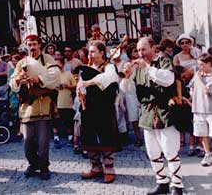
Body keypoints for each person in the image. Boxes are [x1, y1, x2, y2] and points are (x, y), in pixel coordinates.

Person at [129, 37, 183, 195]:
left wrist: (146, 67)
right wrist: (126, 77)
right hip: (147, 113)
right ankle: (162, 183)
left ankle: (177, 185)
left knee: (170, 150)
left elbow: (168, 80)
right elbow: (129, 90)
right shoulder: (138, 67)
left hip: (164, 110)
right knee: (152, 152)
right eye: (138, 50)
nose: (140, 53)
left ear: (153, 48)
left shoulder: (163, 61)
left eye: (143, 49)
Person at [9, 34, 60, 180]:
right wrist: (18, 80)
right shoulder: (22, 62)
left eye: (34, 44)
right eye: (29, 44)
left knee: (43, 141)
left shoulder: (47, 59)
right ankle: (33, 164)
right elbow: (12, 81)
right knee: (27, 141)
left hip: (43, 104)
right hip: (27, 106)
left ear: (39, 45)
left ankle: (44, 167)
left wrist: (38, 79)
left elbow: (55, 75)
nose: (32, 47)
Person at [76, 40, 120, 183]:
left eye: (93, 51)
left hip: (104, 108)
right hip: (89, 108)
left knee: (105, 136)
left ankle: (109, 169)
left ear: (102, 53)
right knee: (90, 137)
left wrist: (89, 82)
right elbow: (80, 85)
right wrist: (80, 92)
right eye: (89, 51)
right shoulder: (86, 68)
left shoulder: (109, 67)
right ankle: (96, 167)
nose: (90, 54)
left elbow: (109, 78)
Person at [189, 53, 212, 167]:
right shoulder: (198, 75)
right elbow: (191, 86)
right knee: (202, 134)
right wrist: (192, 92)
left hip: (210, 109)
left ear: (208, 63)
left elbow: (206, 90)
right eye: (198, 65)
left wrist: (198, 78)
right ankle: (207, 154)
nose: (199, 67)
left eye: (202, 64)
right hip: (198, 108)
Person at [54, 58, 77, 146]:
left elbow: (75, 86)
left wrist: (68, 86)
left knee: (68, 120)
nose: (57, 67)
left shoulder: (68, 74)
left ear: (63, 65)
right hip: (56, 100)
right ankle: (56, 138)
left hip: (67, 100)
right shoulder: (54, 75)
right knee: (56, 120)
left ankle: (70, 138)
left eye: (58, 65)